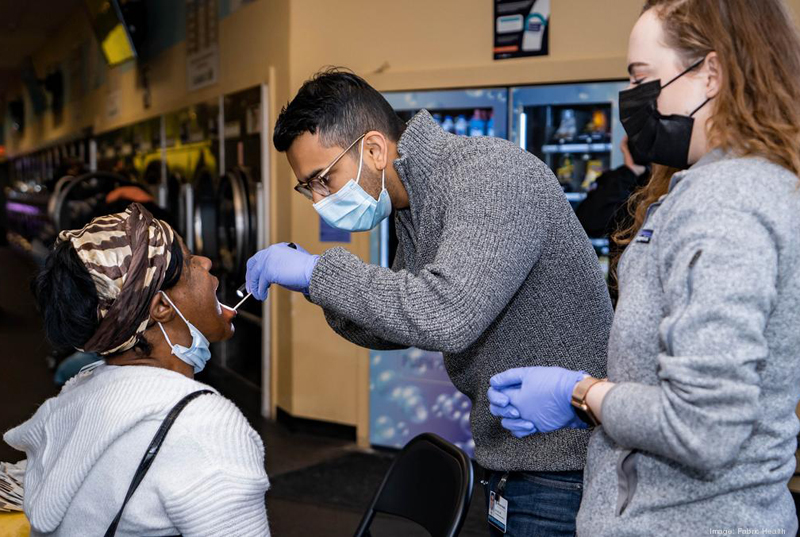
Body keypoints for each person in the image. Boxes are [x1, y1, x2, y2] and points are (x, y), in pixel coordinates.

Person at [246, 69, 612, 535]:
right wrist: (312, 283)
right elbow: (395, 323)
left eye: (323, 179)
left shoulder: (490, 175)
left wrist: (320, 272)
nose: (319, 200)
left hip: (562, 464)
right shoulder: (412, 204)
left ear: (374, 150)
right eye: (309, 188)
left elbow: (445, 315)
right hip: (511, 454)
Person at [487, 0, 800, 534]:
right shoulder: (705, 188)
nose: (633, 100)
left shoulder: (727, 202)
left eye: (643, 78)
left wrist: (581, 392)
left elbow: (703, 427)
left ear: (711, 74)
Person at [3, 203, 270, 536]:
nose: (206, 262)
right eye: (189, 262)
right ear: (161, 307)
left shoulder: (77, 394)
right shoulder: (206, 428)